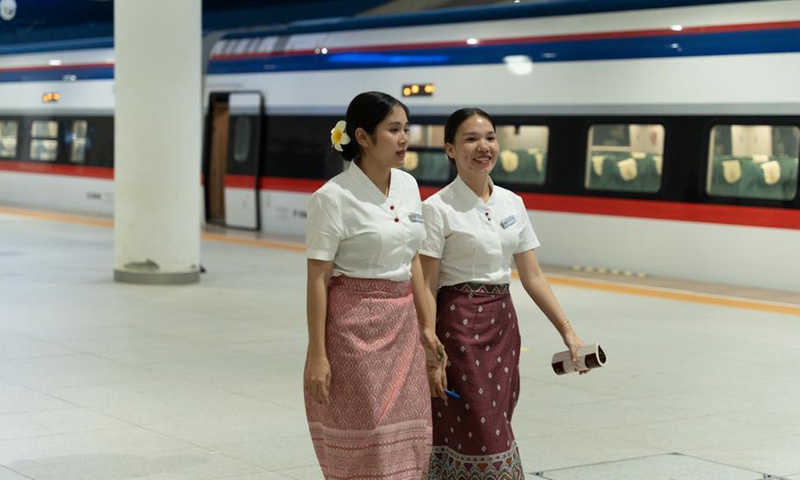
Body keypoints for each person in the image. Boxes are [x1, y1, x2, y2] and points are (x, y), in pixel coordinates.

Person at [419, 108, 588, 479]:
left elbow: (533, 275)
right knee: (475, 422)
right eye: (471, 139)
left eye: (490, 137)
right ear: (449, 149)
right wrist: (430, 351)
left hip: (502, 325)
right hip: (457, 329)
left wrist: (569, 333)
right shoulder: (436, 209)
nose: (484, 146)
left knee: (497, 418)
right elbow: (427, 285)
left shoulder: (512, 202)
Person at [303, 91, 443, 479]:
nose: (404, 139)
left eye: (406, 129)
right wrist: (317, 354)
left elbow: (413, 259)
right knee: (367, 435)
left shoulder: (409, 186)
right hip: (352, 331)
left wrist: (427, 328)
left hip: (403, 330)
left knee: (411, 438)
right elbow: (318, 277)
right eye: (393, 130)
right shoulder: (331, 198)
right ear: (362, 137)